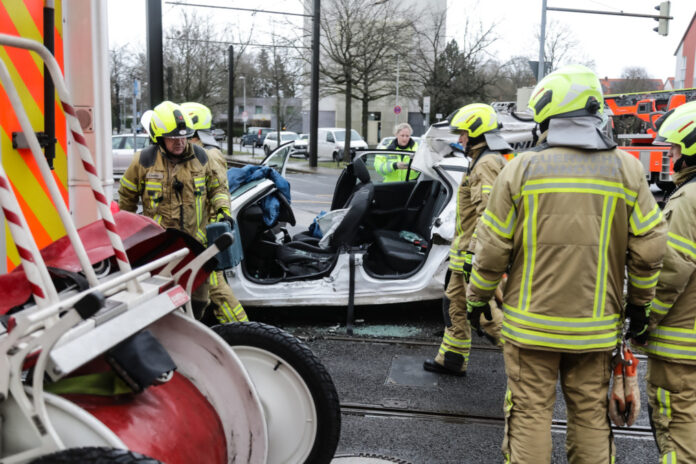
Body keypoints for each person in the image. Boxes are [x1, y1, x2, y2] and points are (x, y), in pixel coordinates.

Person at [466, 64, 667, 463]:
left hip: (529, 327)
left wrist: (477, 299)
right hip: (594, 331)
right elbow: (649, 249)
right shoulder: (626, 169)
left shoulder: (521, 170)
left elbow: (491, 249)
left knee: (530, 416)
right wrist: (640, 307)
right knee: (591, 417)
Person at [118, 101, 239, 321]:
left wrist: (223, 211)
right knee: (161, 305)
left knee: (199, 301)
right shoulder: (143, 161)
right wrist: (125, 234)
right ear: (159, 137)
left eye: (183, 136)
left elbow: (218, 189)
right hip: (160, 251)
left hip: (196, 247)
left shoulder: (202, 158)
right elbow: (126, 198)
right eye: (173, 138)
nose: (180, 142)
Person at [423, 103, 509, 376]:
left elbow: (489, 217)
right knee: (455, 305)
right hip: (464, 255)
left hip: (474, 256)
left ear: (476, 132)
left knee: (485, 316)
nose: (459, 139)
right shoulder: (479, 161)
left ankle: (525, 362)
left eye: (463, 134)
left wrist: (476, 258)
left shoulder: (486, 165)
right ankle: (451, 358)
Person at [644, 101, 696, 463]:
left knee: (676, 426)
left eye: (676, 148)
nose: (671, 156)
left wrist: (645, 317)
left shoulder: (687, 199)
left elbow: (672, 271)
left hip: (680, 343)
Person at [181, 101, 249, 323]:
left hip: (207, 234)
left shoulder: (209, 155)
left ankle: (240, 328)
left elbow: (217, 192)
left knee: (216, 288)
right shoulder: (202, 153)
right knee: (213, 286)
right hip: (201, 234)